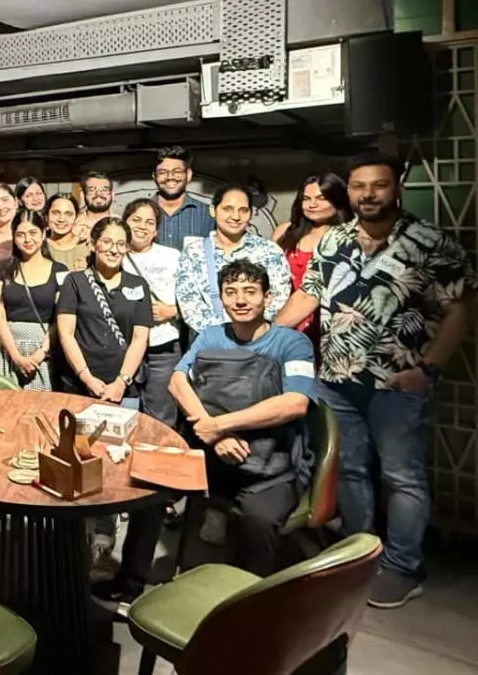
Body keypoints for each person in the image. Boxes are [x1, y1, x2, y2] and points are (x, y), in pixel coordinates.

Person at [276, 156, 477, 608]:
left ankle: (404, 565)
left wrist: (426, 370)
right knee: (348, 470)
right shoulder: (333, 240)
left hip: (397, 385)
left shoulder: (429, 241)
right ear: (348, 191)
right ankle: (357, 555)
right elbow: (308, 295)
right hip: (337, 380)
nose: (368, 194)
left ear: (395, 188)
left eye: (378, 185)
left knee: (401, 477)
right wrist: (264, 335)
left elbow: (460, 309)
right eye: (358, 186)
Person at [171, 259, 317, 577]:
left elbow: (295, 404)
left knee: (259, 522)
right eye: (231, 292)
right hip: (216, 454)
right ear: (221, 298)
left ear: (267, 297)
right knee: (157, 487)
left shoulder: (292, 343)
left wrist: (219, 425)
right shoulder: (211, 336)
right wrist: (214, 435)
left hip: (272, 468)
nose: (240, 300)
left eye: (250, 291)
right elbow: (177, 380)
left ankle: (252, 597)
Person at [55, 216, 152, 597]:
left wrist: (119, 382)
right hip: (79, 384)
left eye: (121, 243)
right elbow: (66, 331)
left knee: (113, 464)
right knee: (77, 458)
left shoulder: (136, 285)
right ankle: (69, 535)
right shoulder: (76, 282)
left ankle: (104, 532)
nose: (113, 248)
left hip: (120, 387)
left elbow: (139, 337)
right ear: (93, 244)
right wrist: (88, 378)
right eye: (107, 241)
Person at [175, 184, 291, 337]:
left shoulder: (269, 251)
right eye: (228, 209)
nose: (236, 217)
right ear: (213, 211)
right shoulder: (194, 252)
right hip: (211, 343)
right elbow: (189, 303)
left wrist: (250, 331)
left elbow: (278, 297)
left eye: (243, 210)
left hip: (258, 340)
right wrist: (222, 337)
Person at [0, 209, 67, 391]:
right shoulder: (2, 269)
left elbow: (59, 318)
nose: (27, 240)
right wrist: (15, 355)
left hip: (42, 349)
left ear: (44, 233)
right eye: (20, 234)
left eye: (33, 233)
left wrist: (41, 353)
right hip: (5, 348)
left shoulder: (60, 270)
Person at [122, 199, 182, 427]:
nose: (141, 226)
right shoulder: (113, 255)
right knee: (122, 416)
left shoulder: (173, 256)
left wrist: (173, 311)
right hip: (124, 348)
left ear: (156, 230)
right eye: (136, 220)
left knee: (162, 419)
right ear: (124, 223)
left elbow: (194, 299)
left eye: (149, 222)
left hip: (163, 350)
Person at [271, 173, 351, 337]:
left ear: (338, 200)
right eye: (306, 199)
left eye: (321, 198)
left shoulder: (348, 238)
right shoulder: (284, 232)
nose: (312, 204)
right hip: (282, 319)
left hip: (327, 325)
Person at [152, 147, 215, 251]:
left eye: (177, 171)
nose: (170, 177)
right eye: (163, 172)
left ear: (188, 175)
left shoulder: (207, 215)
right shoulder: (139, 213)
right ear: (154, 176)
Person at [44, 193, 89, 271]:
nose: (61, 219)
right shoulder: (38, 246)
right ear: (46, 216)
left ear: (76, 217)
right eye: (55, 213)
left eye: (68, 214)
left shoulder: (87, 246)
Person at [74, 172, 114, 247]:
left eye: (104, 190)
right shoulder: (72, 224)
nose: (98, 194)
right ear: (83, 195)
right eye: (92, 190)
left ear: (112, 195)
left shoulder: (123, 224)